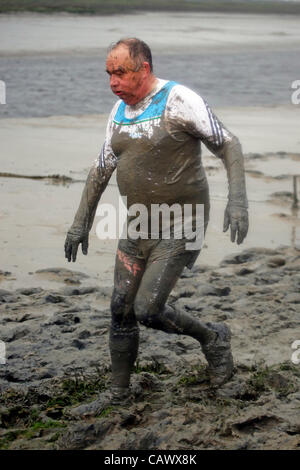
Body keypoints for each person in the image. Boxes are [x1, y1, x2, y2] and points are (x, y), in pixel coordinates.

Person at [64, 38, 249, 416]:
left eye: (121, 72)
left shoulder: (179, 100)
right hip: (137, 225)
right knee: (120, 308)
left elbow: (228, 144)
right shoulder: (119, 109)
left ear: (144, 68)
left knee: (148, 308)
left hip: (183, 223)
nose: (113, 81)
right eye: (109, 74)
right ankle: (118, 395)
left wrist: (238, 201)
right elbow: (101, 167)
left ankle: (212, 337)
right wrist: (80, 222)